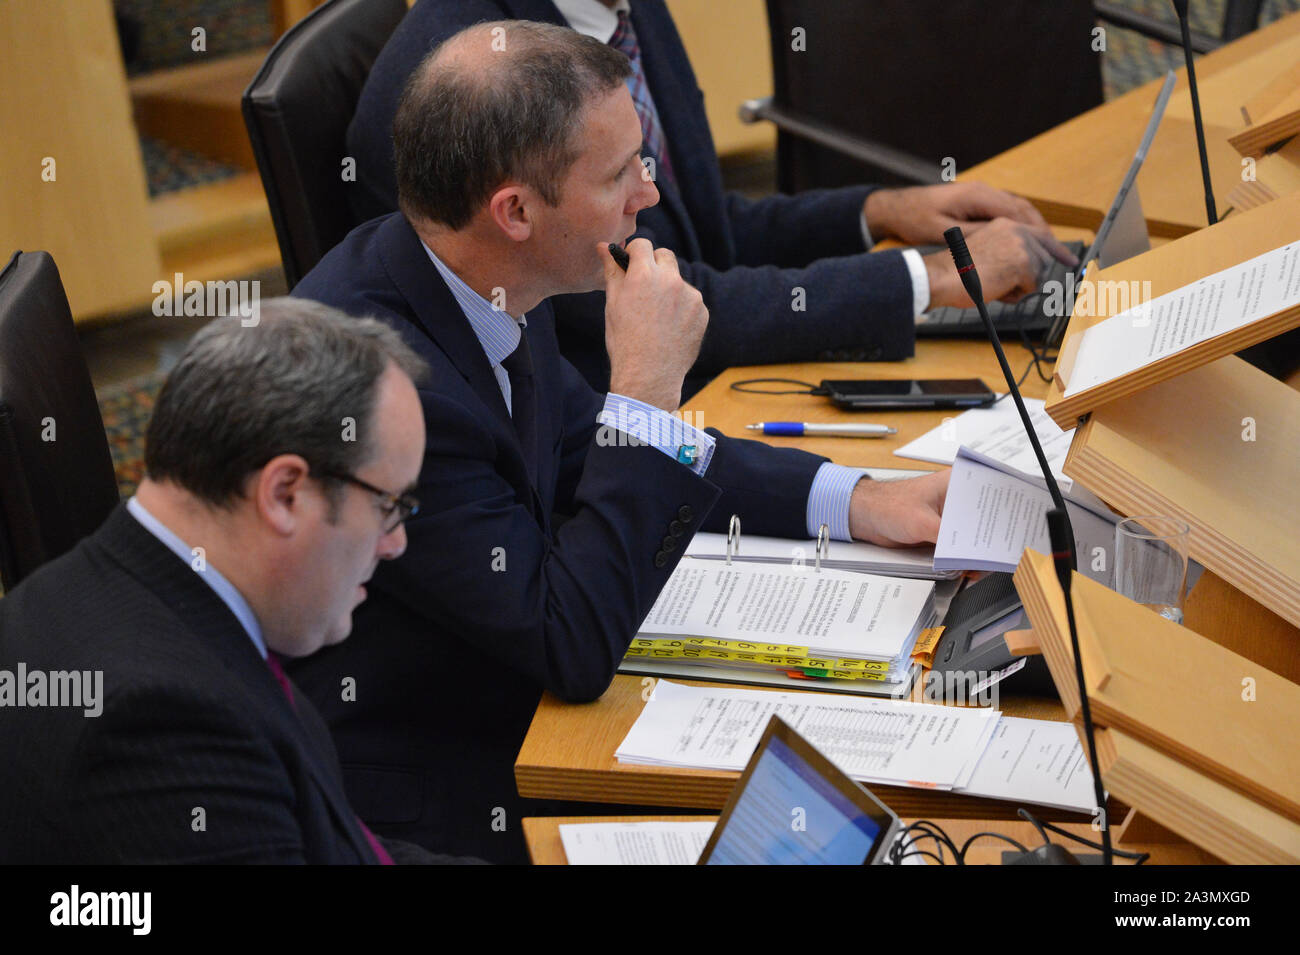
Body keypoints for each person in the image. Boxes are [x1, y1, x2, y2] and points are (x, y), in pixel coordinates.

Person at [290, 20, 951, 864]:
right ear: (516, 210)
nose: (647, 195)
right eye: (618, 177)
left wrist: (854, 498)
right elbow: (568, 641)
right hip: (443, 789)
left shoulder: (478, 278)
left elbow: (575, 443)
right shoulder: (393, 389)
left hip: (526, 699)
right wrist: (646, 388)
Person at [346, 0, 1076, 396]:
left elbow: (703, 227)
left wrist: (876, 211)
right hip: (605, 433)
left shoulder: (621, 12)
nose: (643, 186)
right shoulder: (472, 78)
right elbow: (662, 300)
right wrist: (928, 276)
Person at [0, 299, 475, 864]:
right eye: (389, 505)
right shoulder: (164, 727)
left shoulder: (134, 591)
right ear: (284, 494)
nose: (395, 542)